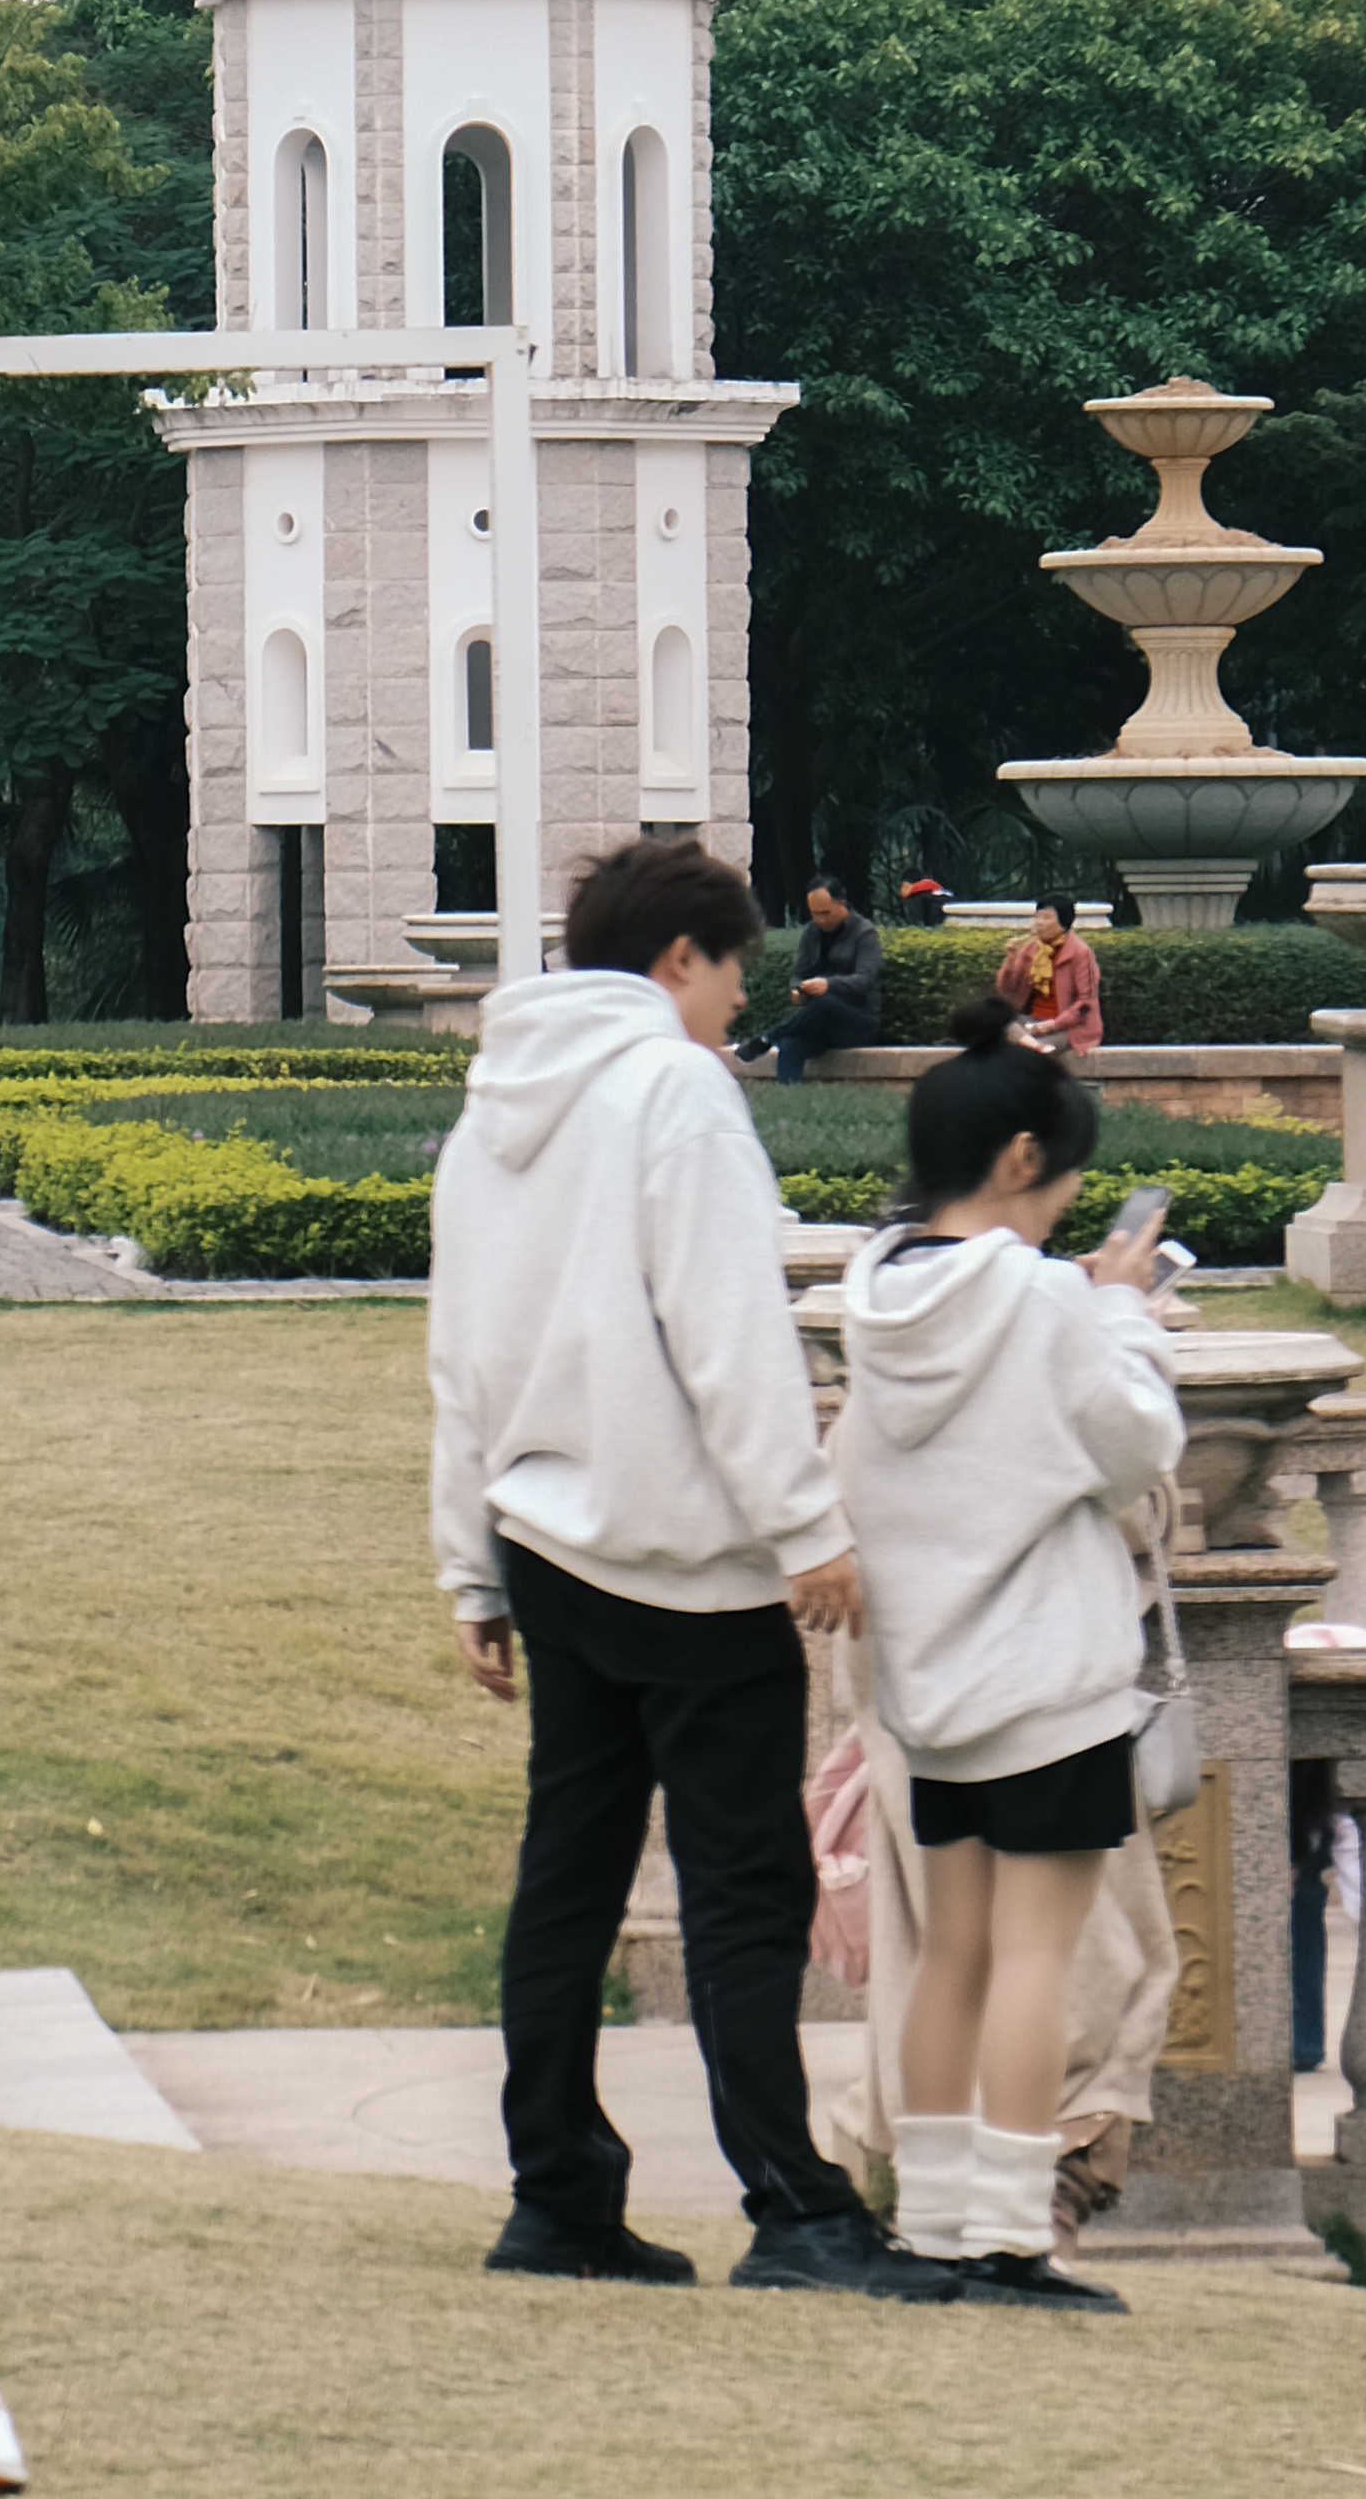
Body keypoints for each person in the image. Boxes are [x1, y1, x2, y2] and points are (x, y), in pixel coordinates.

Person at [429, 829, 938, 2298]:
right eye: (732, 974)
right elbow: (727, 1337)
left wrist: (469, 1567)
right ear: (677, 960)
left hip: (543, 1545)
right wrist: (808, 1531)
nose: (737, 1004)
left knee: (569, 1879)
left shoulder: (490, 1111)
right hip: (690, 1563)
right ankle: (793, 2207)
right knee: (742, 1887)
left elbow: (458, 1354)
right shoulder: (678, 1093)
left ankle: (559, 2198)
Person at [833, 995, 1184, 2309]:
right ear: (1024, 1163)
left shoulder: (880, 1305)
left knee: (958, 1957)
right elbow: (1134, 1445)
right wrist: (1126, 1314)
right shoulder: (1040, 1308)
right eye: (1060, 1187)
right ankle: (1006, 2233)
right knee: (1038, 1957)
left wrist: (1074, 1301)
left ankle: (927, 2230)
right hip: (1047, 1680)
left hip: (932, 1690)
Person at [771, 871, 886, 1081]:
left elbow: (865, 979)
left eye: (826, 913)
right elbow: (799, 972)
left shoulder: (865, 934)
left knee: (827, 1004)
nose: (820, 920)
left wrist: (829, 985)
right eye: (814, 914)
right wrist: (797, 989)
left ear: (842, 904)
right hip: (819, 1023)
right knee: (790, 1046)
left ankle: (771, 1036)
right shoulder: (811, 933)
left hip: (857, 1021)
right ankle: (788, 1100)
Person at [993, 897, 1104, 1060]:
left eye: (1046, 917)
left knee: (1022, 1055)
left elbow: (1086, 1004)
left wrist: (1053, 1024)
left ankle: (1032, 1046)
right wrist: (1010, 961)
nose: (1039, 923)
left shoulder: (1080, 953)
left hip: (1068, 1027)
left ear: (1063, 922)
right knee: (996, 1022)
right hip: (1033, 1022)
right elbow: (1008, 991)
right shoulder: (1032, 948)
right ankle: (1035, 1045)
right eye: (1037, 917)